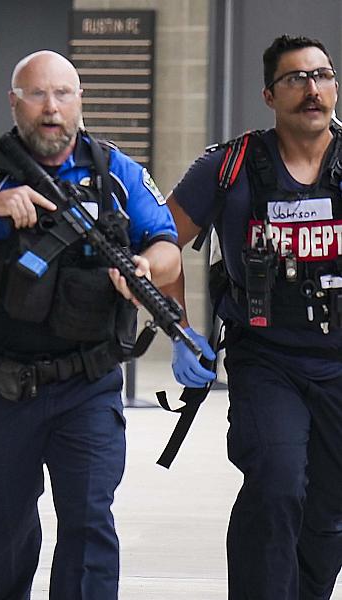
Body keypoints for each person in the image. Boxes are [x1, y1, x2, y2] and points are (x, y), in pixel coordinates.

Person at [0, 50, 181, 599]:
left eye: (63, 94)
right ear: (14, 102)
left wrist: (147, 264)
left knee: (88, 526)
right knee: (4, 532)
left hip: (88, 384)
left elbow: (169, 244)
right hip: (3, 387)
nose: (50, 108)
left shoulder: (117, 173)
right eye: (36, 94)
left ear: (80, 101)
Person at [165, 34, 342, 600]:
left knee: (329, 511)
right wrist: (182, 330)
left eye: (322, 76)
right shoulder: (230, 166)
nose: (312, 90)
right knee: (275, 485)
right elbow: (163, 240)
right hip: (266, 359)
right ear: (269, 94)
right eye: (296, 79)